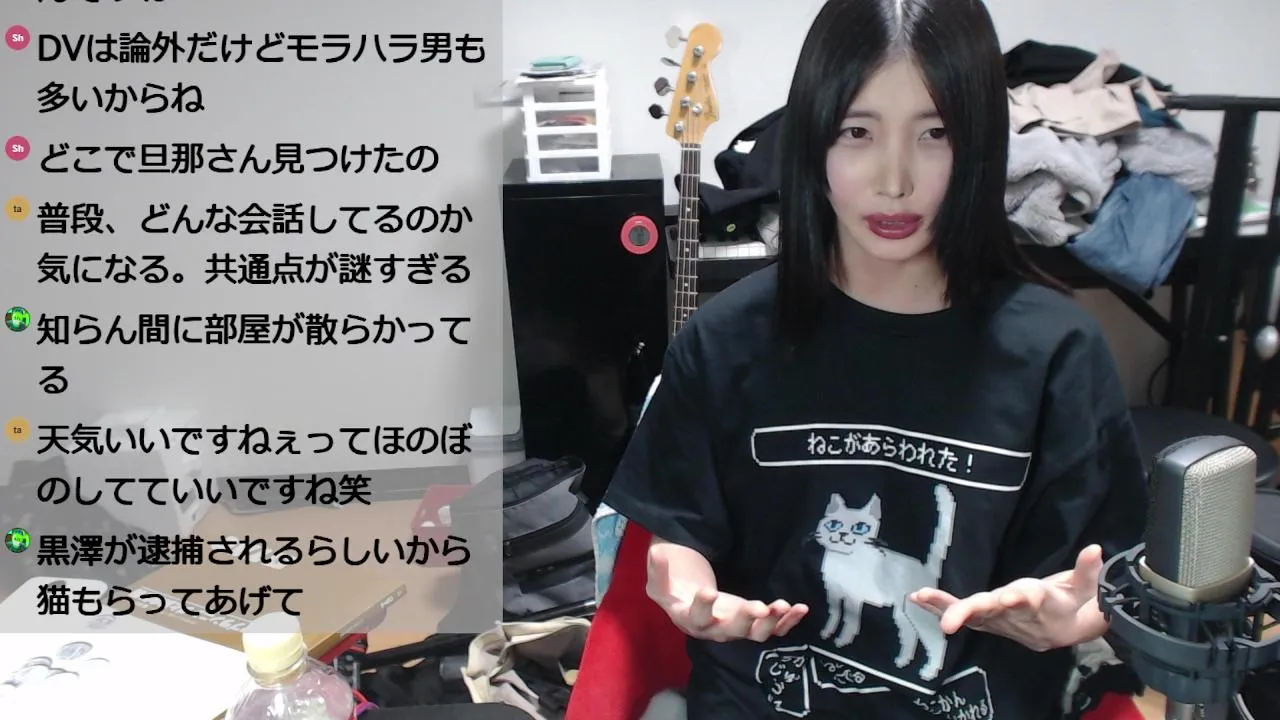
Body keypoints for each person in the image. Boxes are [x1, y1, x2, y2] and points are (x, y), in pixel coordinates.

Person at [600, 0, 1150, 717]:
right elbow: (678, 539)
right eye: (857, 132)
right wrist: (682, 581)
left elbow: (1109, 573)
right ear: (812, 142)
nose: (895, 180)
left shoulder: (1058, 354)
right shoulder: (723, 340)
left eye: (935, 133)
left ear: (981, 144)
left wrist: (1087, 611)